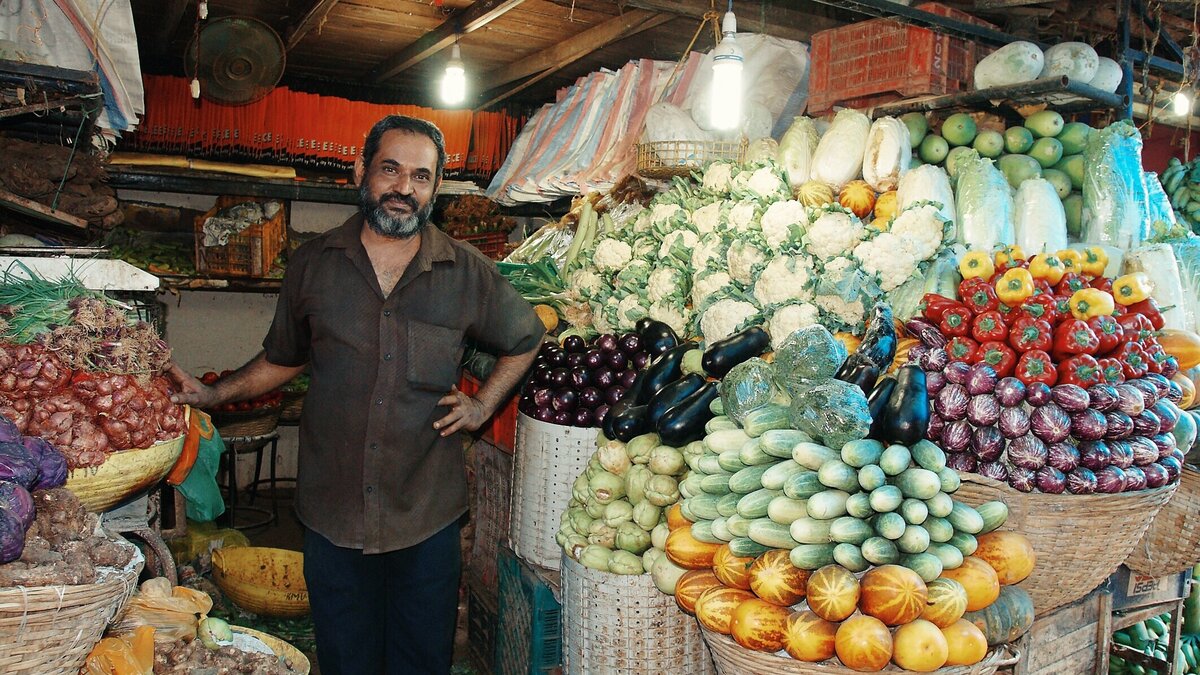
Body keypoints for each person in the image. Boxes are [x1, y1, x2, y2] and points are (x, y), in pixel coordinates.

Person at [169, 115, 544, 675]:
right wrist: (213, 393)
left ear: (435, 189)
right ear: (360, 172)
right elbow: (282, 358)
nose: (404, 188)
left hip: (425, 514)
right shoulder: (314, 265)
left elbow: (527, 336)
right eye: (390, 169)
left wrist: (483, 405)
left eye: (421, 176)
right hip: (333, 511)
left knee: (421, 662)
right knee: (347, 660)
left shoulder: (466, 273)